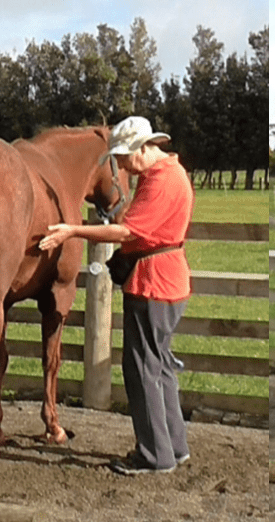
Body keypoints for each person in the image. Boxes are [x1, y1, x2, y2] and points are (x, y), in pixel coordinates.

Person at [39, 115, 193, 475]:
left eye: (124, 157)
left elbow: (127, 232)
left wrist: (72, 230)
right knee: (160, 366)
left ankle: (155, 455)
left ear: (143, 148)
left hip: (154, 283)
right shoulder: (174, 173)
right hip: (170, 281)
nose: (122, 165)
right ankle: (174, 445)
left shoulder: (160, 181)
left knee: (142, 369)